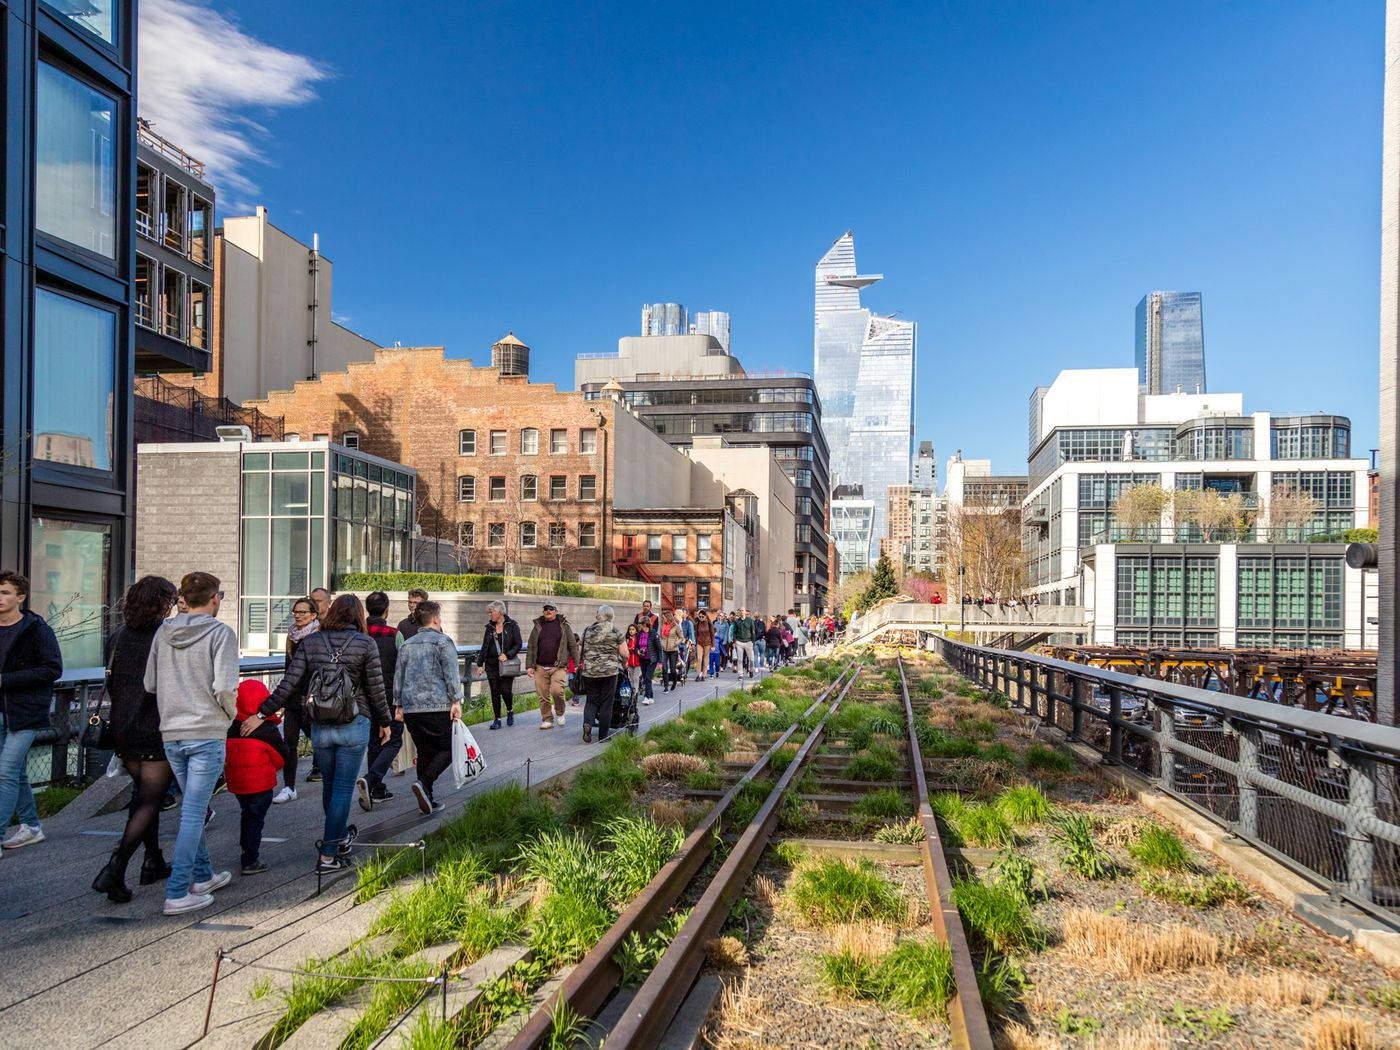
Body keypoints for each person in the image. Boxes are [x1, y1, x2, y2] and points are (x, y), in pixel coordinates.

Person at [246, 594, 390, 874]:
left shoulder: (311, 642)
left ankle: (340, 838)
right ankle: (328, 853)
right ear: (358, 616)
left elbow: (288, 684)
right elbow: (375, 688)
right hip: (354, 720)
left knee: (330, 786)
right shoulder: (365, 643)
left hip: (320, 723)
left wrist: (262, 713)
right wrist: (385, 722)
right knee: (342, 789)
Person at [145, 571, 238, 915]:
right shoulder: (221, 634)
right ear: (214, 598)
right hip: (206, 730)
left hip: (172, 730)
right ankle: (177, 892)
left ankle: (203, 876)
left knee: (192, 810)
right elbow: (226, 686)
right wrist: (228, 715)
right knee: (193, 813)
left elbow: (150, 682)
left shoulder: (163, 633)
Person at [90, 576, 177, 902]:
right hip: (155, 726)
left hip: (123, 728)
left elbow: (113, 683)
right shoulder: (165, 636)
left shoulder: (117, 637)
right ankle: (116, 866)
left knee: (143, 796)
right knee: (150, 800)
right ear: (162, 602)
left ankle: (152, 861)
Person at [0, 571, 61, 860]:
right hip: (1, 712)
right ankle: (32, 825)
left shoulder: (36, 628)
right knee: (15, 772)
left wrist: (6, 680)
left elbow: (52, 669)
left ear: (20, 597)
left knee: (5, 772)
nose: (0, 599)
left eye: (5, 593)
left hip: (25, 712)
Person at [393, 601, 463, 814]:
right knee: (449, 748)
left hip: (412, 708)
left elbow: (399, 676)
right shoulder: (443, 642)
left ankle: (427, 797)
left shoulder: (406, 644)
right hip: (437, 705)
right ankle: (425, 783)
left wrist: (398, 705)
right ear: (435, 619)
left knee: (424, 751)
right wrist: (456, 701)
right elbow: (451, 674)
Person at [224, 680, 285, 875]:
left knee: (246, 813)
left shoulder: (231, 727)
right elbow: (281, 757)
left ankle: (245, 846)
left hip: (238, 783)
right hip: (261, 784)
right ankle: (250, 858)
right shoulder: (267, 730)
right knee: (256, 818)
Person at [274, 596, 320, 803]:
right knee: (289, 743)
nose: (298, 616)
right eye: (296, 612)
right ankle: (289, 786)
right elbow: (288, 669)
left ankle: (328, 773)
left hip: (311, 697)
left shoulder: (318, 636)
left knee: (318, 739)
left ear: (313, 615)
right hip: (293, 699)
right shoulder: (291, 636)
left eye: (303, 612)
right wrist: (283, 700)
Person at [361, 592, 403, 808]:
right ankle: (372, 780)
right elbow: (402, 666)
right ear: (387, 610)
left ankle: (376, 788)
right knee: (394, 739)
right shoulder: (394, 634)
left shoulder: (359, 633)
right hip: (389, 696)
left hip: (364, 698)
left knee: (373, 741)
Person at [526, 602, 580, 731]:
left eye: (551, 609)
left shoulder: (564, 627)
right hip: (540, 666)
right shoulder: (537, 627)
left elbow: (572, 645)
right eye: (545, 609)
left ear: (556, 611)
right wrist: (529, 665)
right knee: (543, 695)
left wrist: (577, 663)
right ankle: (547, 719)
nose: (548, 611)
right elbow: (531, 647)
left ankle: (560, 712)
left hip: (558, 666)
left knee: (557, 691)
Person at [579, 606, 628, 744]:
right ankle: (603, 736)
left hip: (590, 672)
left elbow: (579, 650)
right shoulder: (616, 631)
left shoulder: (587, 631)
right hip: (609, 672)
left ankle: (587, 723)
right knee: (607, 704)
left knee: (591, 701)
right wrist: (624, 664)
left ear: (598, 616)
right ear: (611, 616)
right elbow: (624, 653)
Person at [477, 600, 522, 729]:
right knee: (495, 691)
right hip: (491, 665)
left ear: (499, 612)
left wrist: (507, 654)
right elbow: (484, 646)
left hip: (506, 664)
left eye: (491, 612)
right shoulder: (489, 628)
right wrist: (480, 664)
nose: (489, 614)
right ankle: (497, 719)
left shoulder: (512, 625)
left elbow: (518, 644)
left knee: (506, 691)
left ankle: (509, 711)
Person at [633, 614, 660, 704]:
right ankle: (651, 696)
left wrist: (660, 661)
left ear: (645, 624)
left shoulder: (653, 633)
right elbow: (636, 646)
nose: (638, 625)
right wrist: (638, 652)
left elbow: (658, 647)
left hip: (652, 659)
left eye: (640, 623)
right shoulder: (639, 634)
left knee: (647, 678)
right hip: (642, 658)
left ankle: (647, 697)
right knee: (645, 677)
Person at [658, 610, 682, 692]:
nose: (662, 619)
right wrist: (661, 643)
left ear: (668, 617)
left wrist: (676, 643)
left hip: (673, 650)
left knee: (672, 669)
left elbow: (681, 637)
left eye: (663, 617)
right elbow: (661, 637)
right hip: (664, 649)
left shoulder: (676, 626)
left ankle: (675, 682)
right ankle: (666, 687)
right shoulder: (662, 626)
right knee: (664, 668)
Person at [731, 608, 755, 679]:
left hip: (748, 642)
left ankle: (751, 670)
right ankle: (740, 674)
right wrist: (735, 641)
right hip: (739, 642)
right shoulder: (736, 621)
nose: (741, 612)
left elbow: (753, 631)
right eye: (740, 611)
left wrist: (752, 641)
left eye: (742, 610)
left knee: (751, 659)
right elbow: (734, 632)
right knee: (740, 659)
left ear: (745, 612)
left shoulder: (750, 620)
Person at [623, 623, 643, 700]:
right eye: (630, 629)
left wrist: (634, 649)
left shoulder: (638, 638)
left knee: (636, 678)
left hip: (638, 662)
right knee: (630, 678)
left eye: (633, 629)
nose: (631, 631)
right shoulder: (627, 639)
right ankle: (632, 692)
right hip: (630, 661)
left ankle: (635, 693)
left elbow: (639, 648)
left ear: (636, 631)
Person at [694, 610, 714, 682]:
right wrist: (695, 643)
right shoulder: (697, 623)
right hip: (699, 643)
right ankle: (698, 674)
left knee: (706, 659)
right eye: (699, 617)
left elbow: (712, 635)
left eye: (702, 616)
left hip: (707, 643)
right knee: (699, 658)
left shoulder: (709, 623)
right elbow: (696, 634)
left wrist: (713, 645)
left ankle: (704, 675)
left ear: (706, 617)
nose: (701, 618)